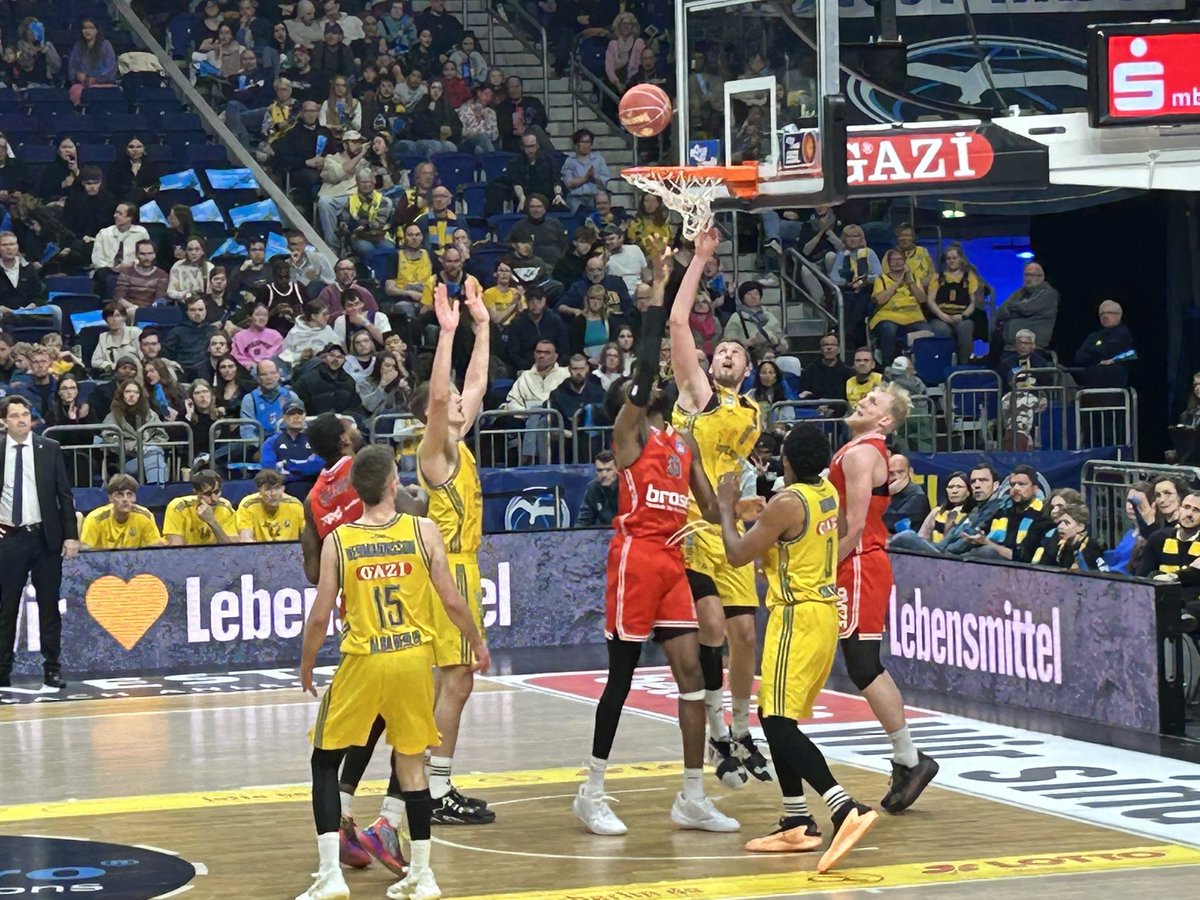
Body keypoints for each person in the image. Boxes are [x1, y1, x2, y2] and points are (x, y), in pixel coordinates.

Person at [573, 249, 737, 837]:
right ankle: (591, 790)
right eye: (642, 389)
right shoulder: (630, 434)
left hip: (673, 559)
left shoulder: (682, 445)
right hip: (635, 559)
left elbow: (714, 508)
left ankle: (693, 794)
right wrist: (659, 296)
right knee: (620, 676)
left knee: (692, 672)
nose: (652, 387)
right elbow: (644, 374)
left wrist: (748, 511)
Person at [296, 443, 488, 900]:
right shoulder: (424, 530)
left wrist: (306, 663)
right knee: (411, 764)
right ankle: (422, 876)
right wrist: (477, 642)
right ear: (392, 484)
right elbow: (452, 599)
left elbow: (322, 614)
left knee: (324, 761)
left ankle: (330, 876)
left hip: (365, 659)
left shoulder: (340, 540)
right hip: (413, 659)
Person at [714, 422, 878, 869]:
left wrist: (728, 509)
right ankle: (797, 820)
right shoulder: (826, 491)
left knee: (781, 725)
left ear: (786, 462)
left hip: (796, 616)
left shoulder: (786, 503)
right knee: (774, 717)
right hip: (823, 610)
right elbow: (838, 533)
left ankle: (844, 807)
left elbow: (736, 555)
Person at [667, 229, 769, 786]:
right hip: (684, 521)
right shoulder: (694, 392)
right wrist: (701, 260)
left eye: (736, 351)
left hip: (721, 523)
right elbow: (680, 324)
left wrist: (751, 508)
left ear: (746, 368)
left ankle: (741, 725)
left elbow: (732, 479)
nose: (726, 352)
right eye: (721, 349)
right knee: (708, 626)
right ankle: (713, 729)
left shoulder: (751, 412)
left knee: (744, 636)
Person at [402, 282, 497, 824]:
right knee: (456, 681)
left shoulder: (459, 440)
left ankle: (431, 784)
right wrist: (447, 333)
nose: (463, 397)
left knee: (457, 682)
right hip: (447, 572)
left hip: (464, 568)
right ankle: (435, 790)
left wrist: (483, 325)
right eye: (454, 399)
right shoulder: (434, 450)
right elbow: (442, 396)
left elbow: (477, 380)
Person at [828, 382, 938, 811]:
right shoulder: (859, 450)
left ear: (886, 420)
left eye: (872, 401)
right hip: (854, 563)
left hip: (857, 563)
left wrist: (818, 570)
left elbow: (854, 528)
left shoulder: (861, 454)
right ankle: (907, 757)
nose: (862, 401)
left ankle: (909, 758)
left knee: (863, 663)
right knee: (860, 663)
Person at [0, 395, 78, 689]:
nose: (22, 420)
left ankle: (52, 668)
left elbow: (64, 495)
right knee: (6, 607)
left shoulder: (49, 448)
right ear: (3, 421)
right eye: (15, 415)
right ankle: (2, 669)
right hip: (10, 538)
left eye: (25, 414)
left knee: (49, 606)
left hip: (45, 537)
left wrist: (70, 535)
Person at [961, 464, 1053, 563]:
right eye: (1013, 485)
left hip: (1023, 569)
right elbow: (984, 533)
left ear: (1035, 489)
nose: (1016, 488)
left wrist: (987, 542)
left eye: (1021, 484)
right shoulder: (1003, 511)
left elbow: (1023, 557)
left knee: (986, 552)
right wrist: (976, 539)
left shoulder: (1042, 516)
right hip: (995, 563)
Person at [925, 243, 981, 364]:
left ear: (960, 259)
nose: (951, 261)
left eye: (954, 258)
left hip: (962, 316)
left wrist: (963, 316)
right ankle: (942, 366)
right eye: (948, 258)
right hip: (940, 316)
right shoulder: (937, 277)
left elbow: (973, 302)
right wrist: (943, 316)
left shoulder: (969, 277)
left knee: (965, 329)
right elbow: (931, 300)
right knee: (941, 331)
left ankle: (964, 366)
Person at [870, 249, 928, 366]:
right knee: (889, 328)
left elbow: (922, 299)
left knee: (926, 330)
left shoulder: (914, 279)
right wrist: (898, 283)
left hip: (913, 316)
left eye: (899, 259)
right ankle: (887, 365)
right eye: (893, 260)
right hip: (888, 316)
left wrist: (910, 282)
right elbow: (880, 300)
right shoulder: (881, 279)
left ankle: (921, 366)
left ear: (905, 261)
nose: (896, 262)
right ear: (888, 263)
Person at [79, 474, 163, 550]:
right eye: (120, 494)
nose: (125, 499)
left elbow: (155, 549)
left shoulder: (145, 516)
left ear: (135, 498)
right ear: (110, 498)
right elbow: (85, 551)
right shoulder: (96, 518)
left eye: (129, 494)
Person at [993, 262, 1059, 352]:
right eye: (1026, 275)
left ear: (1041, 277)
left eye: (1032, 275)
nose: (1028, 279)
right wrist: (1014, 310)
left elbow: (1026, 309)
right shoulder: (1021, 292)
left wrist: (1012, 312)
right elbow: (1000, 311)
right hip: (1011, 345)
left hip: (1033, 344)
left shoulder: (1048, 293)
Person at [163, 468, 239, 546]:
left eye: (216, 492)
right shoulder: (178, 507)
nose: (214, 498)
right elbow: (176, 549)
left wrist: (212, 522)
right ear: (196, 493)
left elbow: (231, 549)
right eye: (207, 494)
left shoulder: (225, 507)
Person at [1073, 300, 1134, 390]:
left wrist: (1091, 351)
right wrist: (1099, 358)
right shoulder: (1093, 336)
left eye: (1109, 313)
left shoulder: (1124, 335)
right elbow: (1079, 357)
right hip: (1090, 383)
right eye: (1102, 314)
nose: (1105, 316)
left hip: (1114, 384)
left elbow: (1107, 350)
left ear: (1119, 315)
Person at [1137, 491, 1200, 577]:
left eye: (1196, 510)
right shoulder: (1158, 538)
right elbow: (1143, 576)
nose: (1189, 514)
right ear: (1179, 508)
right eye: (1186, 507)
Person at [236, 468, 306, 542]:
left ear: (283, 489)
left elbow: (306, 536)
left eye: (277, 488)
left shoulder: (295, 506)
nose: (273, 493)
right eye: (268, 489)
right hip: (258, 551)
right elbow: (245, 539)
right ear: (260, 490)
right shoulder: (248, 506)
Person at [722, 281, 785, 356]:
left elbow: (783, 340)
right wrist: (749, 342)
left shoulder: (769, 315)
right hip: (748, 356)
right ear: (742, 298)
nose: (753, 297)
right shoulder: (737, 317)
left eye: (756, 294)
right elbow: (729, 343)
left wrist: (777, 342)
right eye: (749, 294)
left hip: (772, 354)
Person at [914, 471, 971, 546]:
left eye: (959, 487)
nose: (954, 491)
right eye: (950, 487)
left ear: (969, 491)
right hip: (932, 552)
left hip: (955, 554)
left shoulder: (972, 514)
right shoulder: (937, 512)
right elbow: (922, 538)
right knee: (907, 536)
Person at [114, 240, 170, 313]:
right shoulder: (127, 272)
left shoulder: (162, 275)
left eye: (150, 253)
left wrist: (144, 311)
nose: (147, 257)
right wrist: (134, 308)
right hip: (128, 309)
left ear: (155, 254)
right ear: (136, 255)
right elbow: (119, 297)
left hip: (151, 311)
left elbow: (159, 299)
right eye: (142, 254)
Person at [883, 453, 930, 533]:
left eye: (900, 472)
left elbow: (894, 525)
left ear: (910, 472)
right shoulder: (886, 492)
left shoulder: (918, 496)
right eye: (891, 473)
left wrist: (886, 494)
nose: (896, 477)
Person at [577, 450, 618, 527]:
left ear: (617, 470)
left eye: (608, 470)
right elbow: (584, 521)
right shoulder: (593, 488)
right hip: (606, 536)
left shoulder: (628, 487)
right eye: (599, 470)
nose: (604, 475)